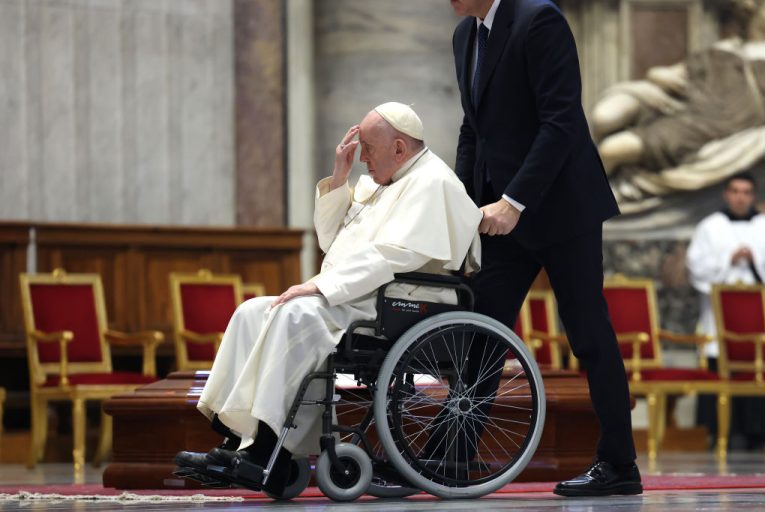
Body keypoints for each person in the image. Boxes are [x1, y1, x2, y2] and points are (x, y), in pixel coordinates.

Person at [173, 102, 482, 495]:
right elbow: (332, 240)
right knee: (255, 310)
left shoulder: (433, 183)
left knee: (296, 315)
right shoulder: (385, 182)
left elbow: (393, 256)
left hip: (401, 299)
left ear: (399, 148)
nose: (362, 157)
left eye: (368, 148)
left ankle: (267, 451)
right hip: (364, 293)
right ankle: (237, 442)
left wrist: (320, 286)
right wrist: (340, 177)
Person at [449, 0, 641, 497]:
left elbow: (562, 122)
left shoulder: (539, 19)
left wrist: (514, 200)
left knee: (589, 335)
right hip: (502, 217)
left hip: (562, 208)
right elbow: (475, 131)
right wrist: (464, 208)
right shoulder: (465, 36)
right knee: (482, 332)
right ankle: (454, 457)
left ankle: (619, 465)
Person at [591, 0, 765, 212]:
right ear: (752, 11)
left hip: (721, 128)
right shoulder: (722, 50)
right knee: (605, 124)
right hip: (691, 115)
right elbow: (677, 74)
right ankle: (584, 205)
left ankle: (588, 208)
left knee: (613, 149)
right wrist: (658, 74)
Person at [687, 172, 765, 451]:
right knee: (718, 368)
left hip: (760, 325)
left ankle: (758, 434)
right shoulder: (709, 227)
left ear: (753, 195)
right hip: (718, 321)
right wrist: (727, 260)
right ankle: (718, 432)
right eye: (735, 191)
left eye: (746, 191)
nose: (740, 196)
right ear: (726, 194)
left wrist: (755, 260)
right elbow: (696, 266)